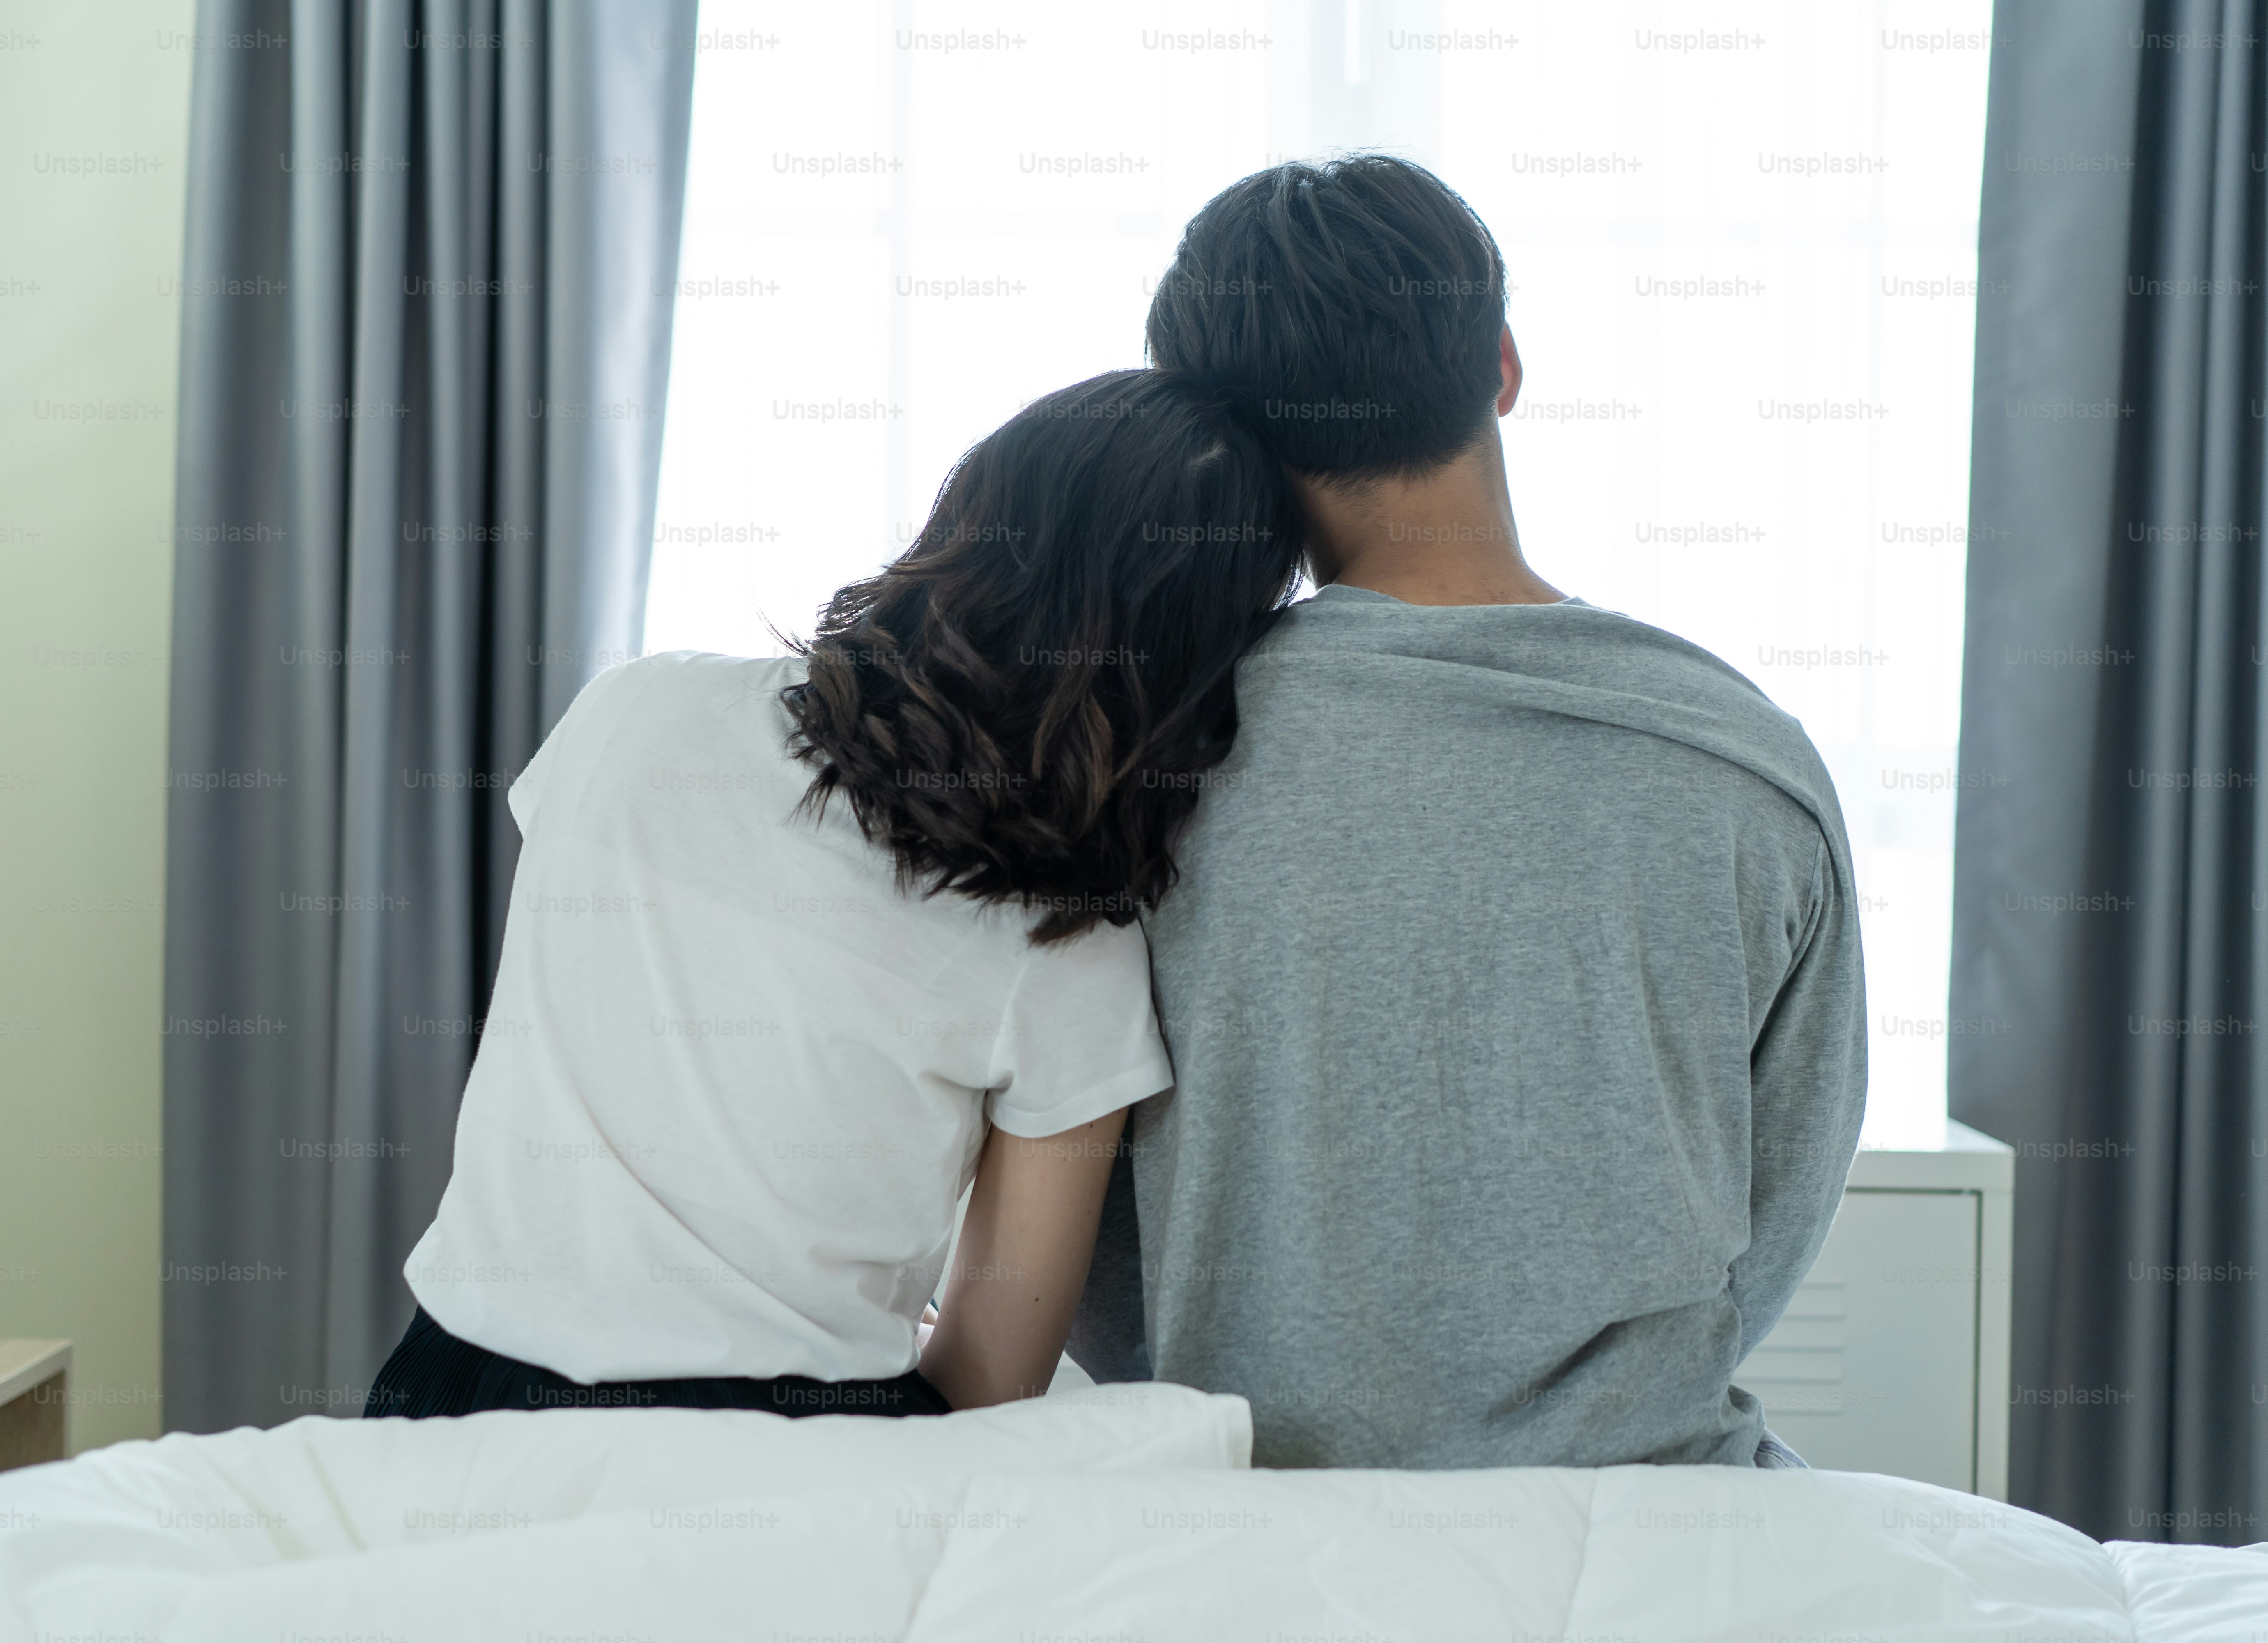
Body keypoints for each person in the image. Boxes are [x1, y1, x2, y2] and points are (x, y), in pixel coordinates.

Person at [1066, 157, 1868, 1471]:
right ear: (1501, 366)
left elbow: (1088, 1229)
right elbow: (1773, 1212)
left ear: (1227, 436)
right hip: (1655, 1519)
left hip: (1251, 1517)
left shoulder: (1150, 753)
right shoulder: (1745, 759)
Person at [368, 369, 1303, 1420]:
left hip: (449, 1391)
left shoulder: (631, 712)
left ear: (969, 511)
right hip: (789, 1457)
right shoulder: (1067, 940)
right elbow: (993, 1375)